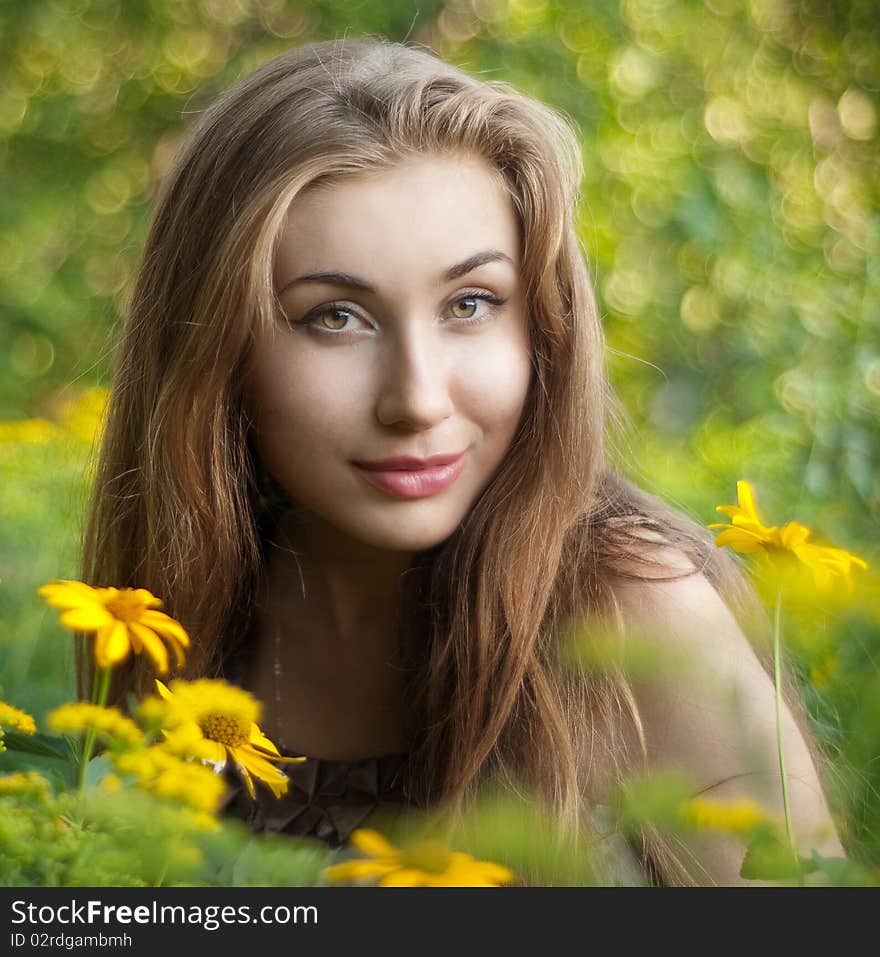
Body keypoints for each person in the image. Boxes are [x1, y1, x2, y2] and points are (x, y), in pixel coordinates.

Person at [79, 36, 844, 885]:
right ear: (214, 352)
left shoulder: (632, 616)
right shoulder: (179, 616)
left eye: (470, 304)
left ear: (541, 330)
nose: (417, 398)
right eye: (335, 316)